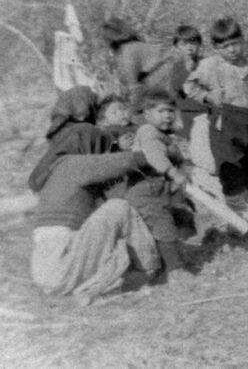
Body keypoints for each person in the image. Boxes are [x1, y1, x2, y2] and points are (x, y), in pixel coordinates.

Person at [30, 124, 160, 306]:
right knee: (118, 208)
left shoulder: (53, 175)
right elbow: (122, 163)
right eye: (101, 148)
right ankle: (148, 270)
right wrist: (158, 154)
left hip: (44, 273)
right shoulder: (71, 164)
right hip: (63, 264)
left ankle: (75, 295)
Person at [184, 17, 248, 227]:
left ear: (242, 41)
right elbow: (189, 86)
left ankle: (247, 204)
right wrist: (208, 97)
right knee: (230, 169)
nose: (232, 50)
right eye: (225, 46)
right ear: (216, 48)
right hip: (225, 125)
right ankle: (236, 215)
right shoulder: (210, 65)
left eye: (235, 43)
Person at [125, 88, 194, 281]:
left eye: (171, 111)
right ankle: (175, 270)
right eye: (161, 111)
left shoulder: (162, 135)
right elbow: (155, 157)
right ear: (147, 115)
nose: (167, 116)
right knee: (163, 226)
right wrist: (174, 173)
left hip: (157, 189)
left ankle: (159, 265)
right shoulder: (148, 132)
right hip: (145, 190)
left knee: (161, 226)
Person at [100, 17, 174, 115]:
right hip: (170, 94)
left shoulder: (127, 53)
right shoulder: (141, 46)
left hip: (160, 100)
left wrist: (131, 112)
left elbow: (136, 87)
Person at [168, 24, 206, 140]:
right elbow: (176, 87)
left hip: (203, 113)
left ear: (199, 45)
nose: (189, 47)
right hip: (184, 114)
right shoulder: (177, 66)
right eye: (184, 44)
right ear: (177, 47)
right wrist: (187, 70)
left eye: (193, 43)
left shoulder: (206, 64)